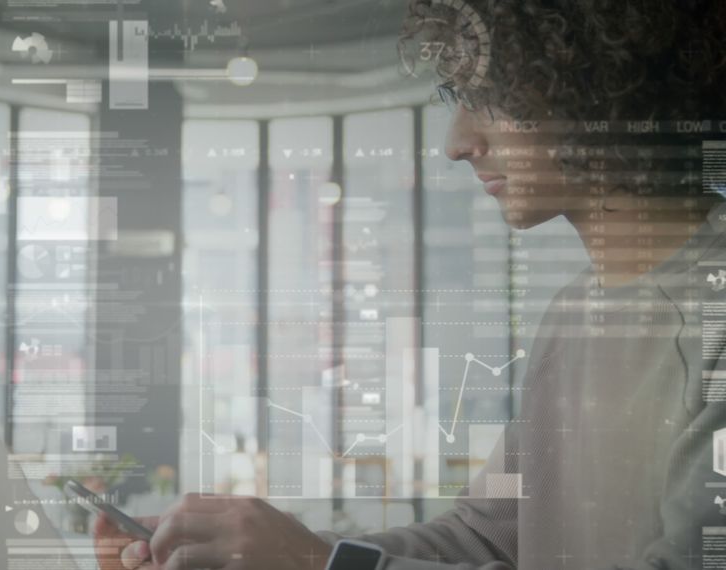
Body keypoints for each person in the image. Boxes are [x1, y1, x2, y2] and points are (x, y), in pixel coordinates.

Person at [95, 0, 726, 567]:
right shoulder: (574, 313)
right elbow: (485, 535)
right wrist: (273, 552)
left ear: (599, 89)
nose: (458, 142)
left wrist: (312, 563)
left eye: (491, 96)